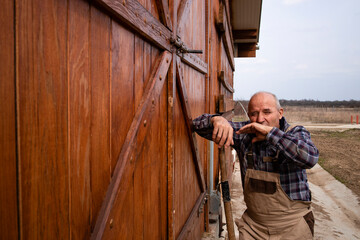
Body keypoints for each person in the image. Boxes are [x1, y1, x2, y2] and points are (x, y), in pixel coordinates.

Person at [193, 91, 319, 239]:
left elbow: (309, 157)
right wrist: (216, 120)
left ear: (280, 113)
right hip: (254, 228)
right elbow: (197, 124)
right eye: (254, 113)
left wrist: (270, 134)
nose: (260, 119)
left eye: (267, 112)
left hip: (292, 227)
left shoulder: (295, 133)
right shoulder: (245, 133)